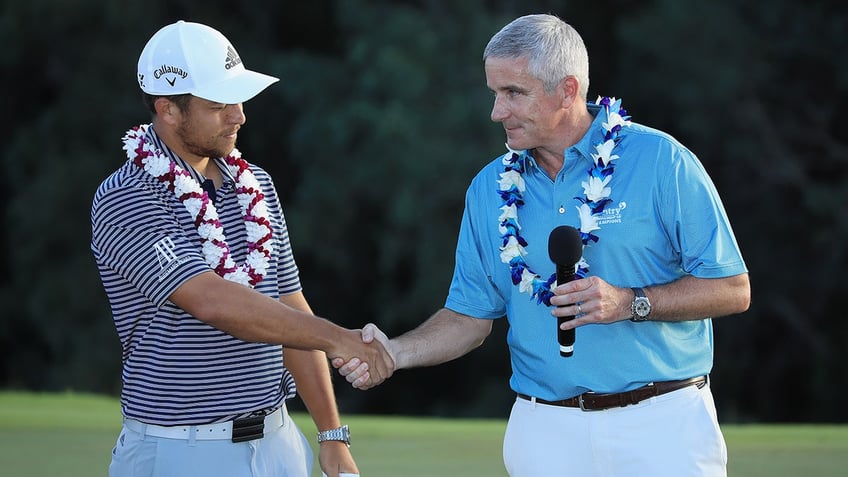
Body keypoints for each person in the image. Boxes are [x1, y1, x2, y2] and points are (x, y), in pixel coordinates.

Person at [334, 13, 750, 477]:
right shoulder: (489, 187)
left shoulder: (662, 161)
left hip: (662, 426)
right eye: (495, 93)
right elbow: (470, 316)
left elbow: (733, 288)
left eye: (514, 93)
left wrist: (628, 302)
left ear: (568, 91)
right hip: (544, 432)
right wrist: (395, 353)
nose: (497, 111)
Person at [91, 20, 390, 477]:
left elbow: (290, 307)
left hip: (277, 442)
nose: (239, 116)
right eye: (219, 105)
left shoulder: (256, 185)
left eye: (239, 100)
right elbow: (211, 300)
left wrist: (331, 435)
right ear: (168, 110)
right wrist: (339, 339)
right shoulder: (127, 195)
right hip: (181, 450)